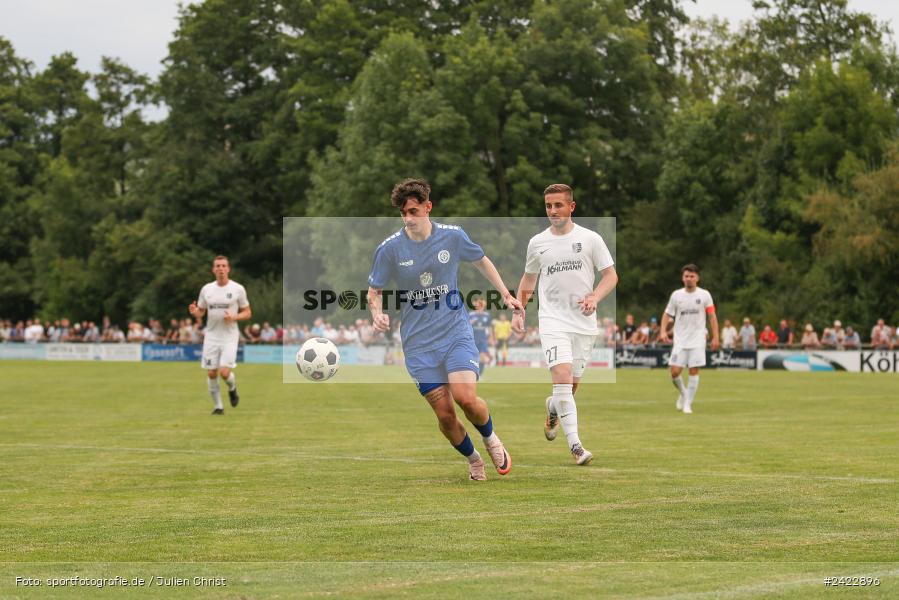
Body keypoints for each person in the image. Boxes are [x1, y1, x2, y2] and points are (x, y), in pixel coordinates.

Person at [367, 178, 520, 481]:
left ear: (428, 207)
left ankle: (491, 439)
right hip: (418, 345)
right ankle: (474, 460)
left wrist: (505, 294)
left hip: (454, 333)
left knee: (466, 398)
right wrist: (377, 314)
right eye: (403, 213)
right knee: (446, 416)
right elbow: (374, 291)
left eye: (413, 211)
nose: (408, 218)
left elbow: (482, 262)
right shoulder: (389, 249)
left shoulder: (453, 236)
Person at [512, 183, 618, 466]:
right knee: (561, 377)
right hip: (552, 320)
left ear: (571, 206)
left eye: (558, 205)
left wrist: (594, 296)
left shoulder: (591, 239)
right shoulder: (537, 243)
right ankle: (576, 447)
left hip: (583, 323)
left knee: (569, 387)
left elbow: (610, 276)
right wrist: (519, 309)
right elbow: (529, 278)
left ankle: (553, 407)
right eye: (548, 206)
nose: (553, 211)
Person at [189, 255, 251, 415]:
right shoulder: (206, 289)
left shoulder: (237, 289)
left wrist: (234, 317)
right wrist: (195, 312)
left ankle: (232, 388)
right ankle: (218, 407)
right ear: (213, 270)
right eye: (218, 266)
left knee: (224, 373)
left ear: (228, 269)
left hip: (229, 337)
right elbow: (201, 311)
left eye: (223, 266)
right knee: (211, 372)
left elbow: (247, 312)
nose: (221, 268)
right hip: (211, 336)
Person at [658, 264, 719, 415]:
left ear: (697, 278)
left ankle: (687, 404)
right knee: (674, 372)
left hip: (698, 339)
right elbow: (667, 314)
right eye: (686, 276)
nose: (689, 279)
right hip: (680, 340)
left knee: (694, 370)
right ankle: (685, 394)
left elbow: (712, 316)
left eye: (692, 276)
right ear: (682, 278)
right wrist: (662, 331)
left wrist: (716, 336)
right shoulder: (676, 295)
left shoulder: (704, 295)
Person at [469, 296, 493, 374]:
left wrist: (491, 337)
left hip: (483, 338)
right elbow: (466, 326)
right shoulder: (471, 315)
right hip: (473, 338)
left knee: (482, 356)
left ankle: (480, 374)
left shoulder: (487, 315)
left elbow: (489, 327)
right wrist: (470, 323)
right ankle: (473, 373)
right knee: (473, 357)